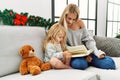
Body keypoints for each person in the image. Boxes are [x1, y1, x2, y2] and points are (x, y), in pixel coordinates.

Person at [59, 3, 116, 70]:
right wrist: (82, 56)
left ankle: (90, 60)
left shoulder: (80, 23)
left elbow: (88, 40)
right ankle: (87, 61)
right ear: (64, 15)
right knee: (79, 64)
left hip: (86, 52)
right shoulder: (60, 26)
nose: (71, 21)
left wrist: (96, 52)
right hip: (75, 56)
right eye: (69, 18)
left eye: (74, 19)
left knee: (110, 64)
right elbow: (62, 46)